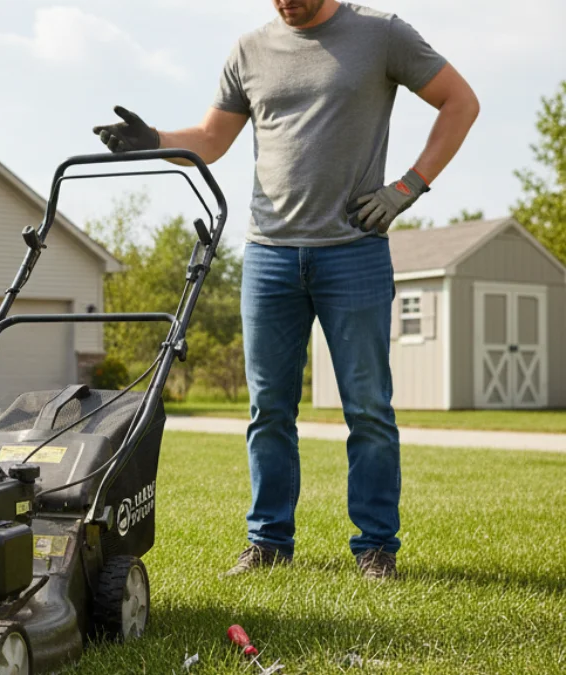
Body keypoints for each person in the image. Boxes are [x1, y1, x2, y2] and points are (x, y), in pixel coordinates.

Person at [92, 0, 478, 580]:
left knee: (368, 409)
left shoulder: (381, 35)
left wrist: (407, 187)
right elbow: (211, 138)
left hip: (354, 252)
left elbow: (461, 102)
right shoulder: (249, 50)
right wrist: (156, 139)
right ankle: (268, 543)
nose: (284, 2)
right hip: (269, 257)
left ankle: (376, 548)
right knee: (268, 410)